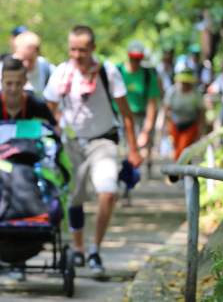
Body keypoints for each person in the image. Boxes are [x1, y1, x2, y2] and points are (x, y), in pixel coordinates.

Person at [43, 25, 142, 274]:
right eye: (73, 49)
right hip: (72, 143)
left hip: (103, 140)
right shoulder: (61, 73)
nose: (77, 55)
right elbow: (48, 111)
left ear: (93, 49)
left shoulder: (108, 72)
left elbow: (127, 114)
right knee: (75, 197)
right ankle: (78, 249)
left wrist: (134, 149)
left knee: (107, 191)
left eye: (83, 50)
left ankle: (95, 249)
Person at [0, 56, 56, 136]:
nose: (13, 89)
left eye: (18, 83)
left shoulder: (37, 104)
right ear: (1, 81)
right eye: (9, 83)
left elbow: (53, 126)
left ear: (25, 81)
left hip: (29, 151)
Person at [117, 41, 161, 177]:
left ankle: (146, 169)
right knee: (125, 147)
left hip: (141, 115)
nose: (135, 61)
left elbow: (152, 103)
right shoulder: (118, 72)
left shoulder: (148, 75)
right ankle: (126, 173)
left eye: (138, 59)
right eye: (132, 58)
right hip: (121, 116)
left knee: (145, 146)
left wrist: (146, 130)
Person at [0, 31, 55, 99]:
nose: (26, 64)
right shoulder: (3, 68)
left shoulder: (45, 67)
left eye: (30, 60)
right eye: (23, 60)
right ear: (16, 53)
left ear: (37, 54)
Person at [164, 69, 205, 162]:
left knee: (183, 147)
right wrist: (167, 126)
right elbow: (166, 110)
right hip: (175, 124)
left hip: (190, 125)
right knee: (177, 148)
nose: (185, 85)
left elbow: (201, 112)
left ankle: (177, 172)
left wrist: (200, 128)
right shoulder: (172, 92)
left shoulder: (196, 94)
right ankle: (184, 170)